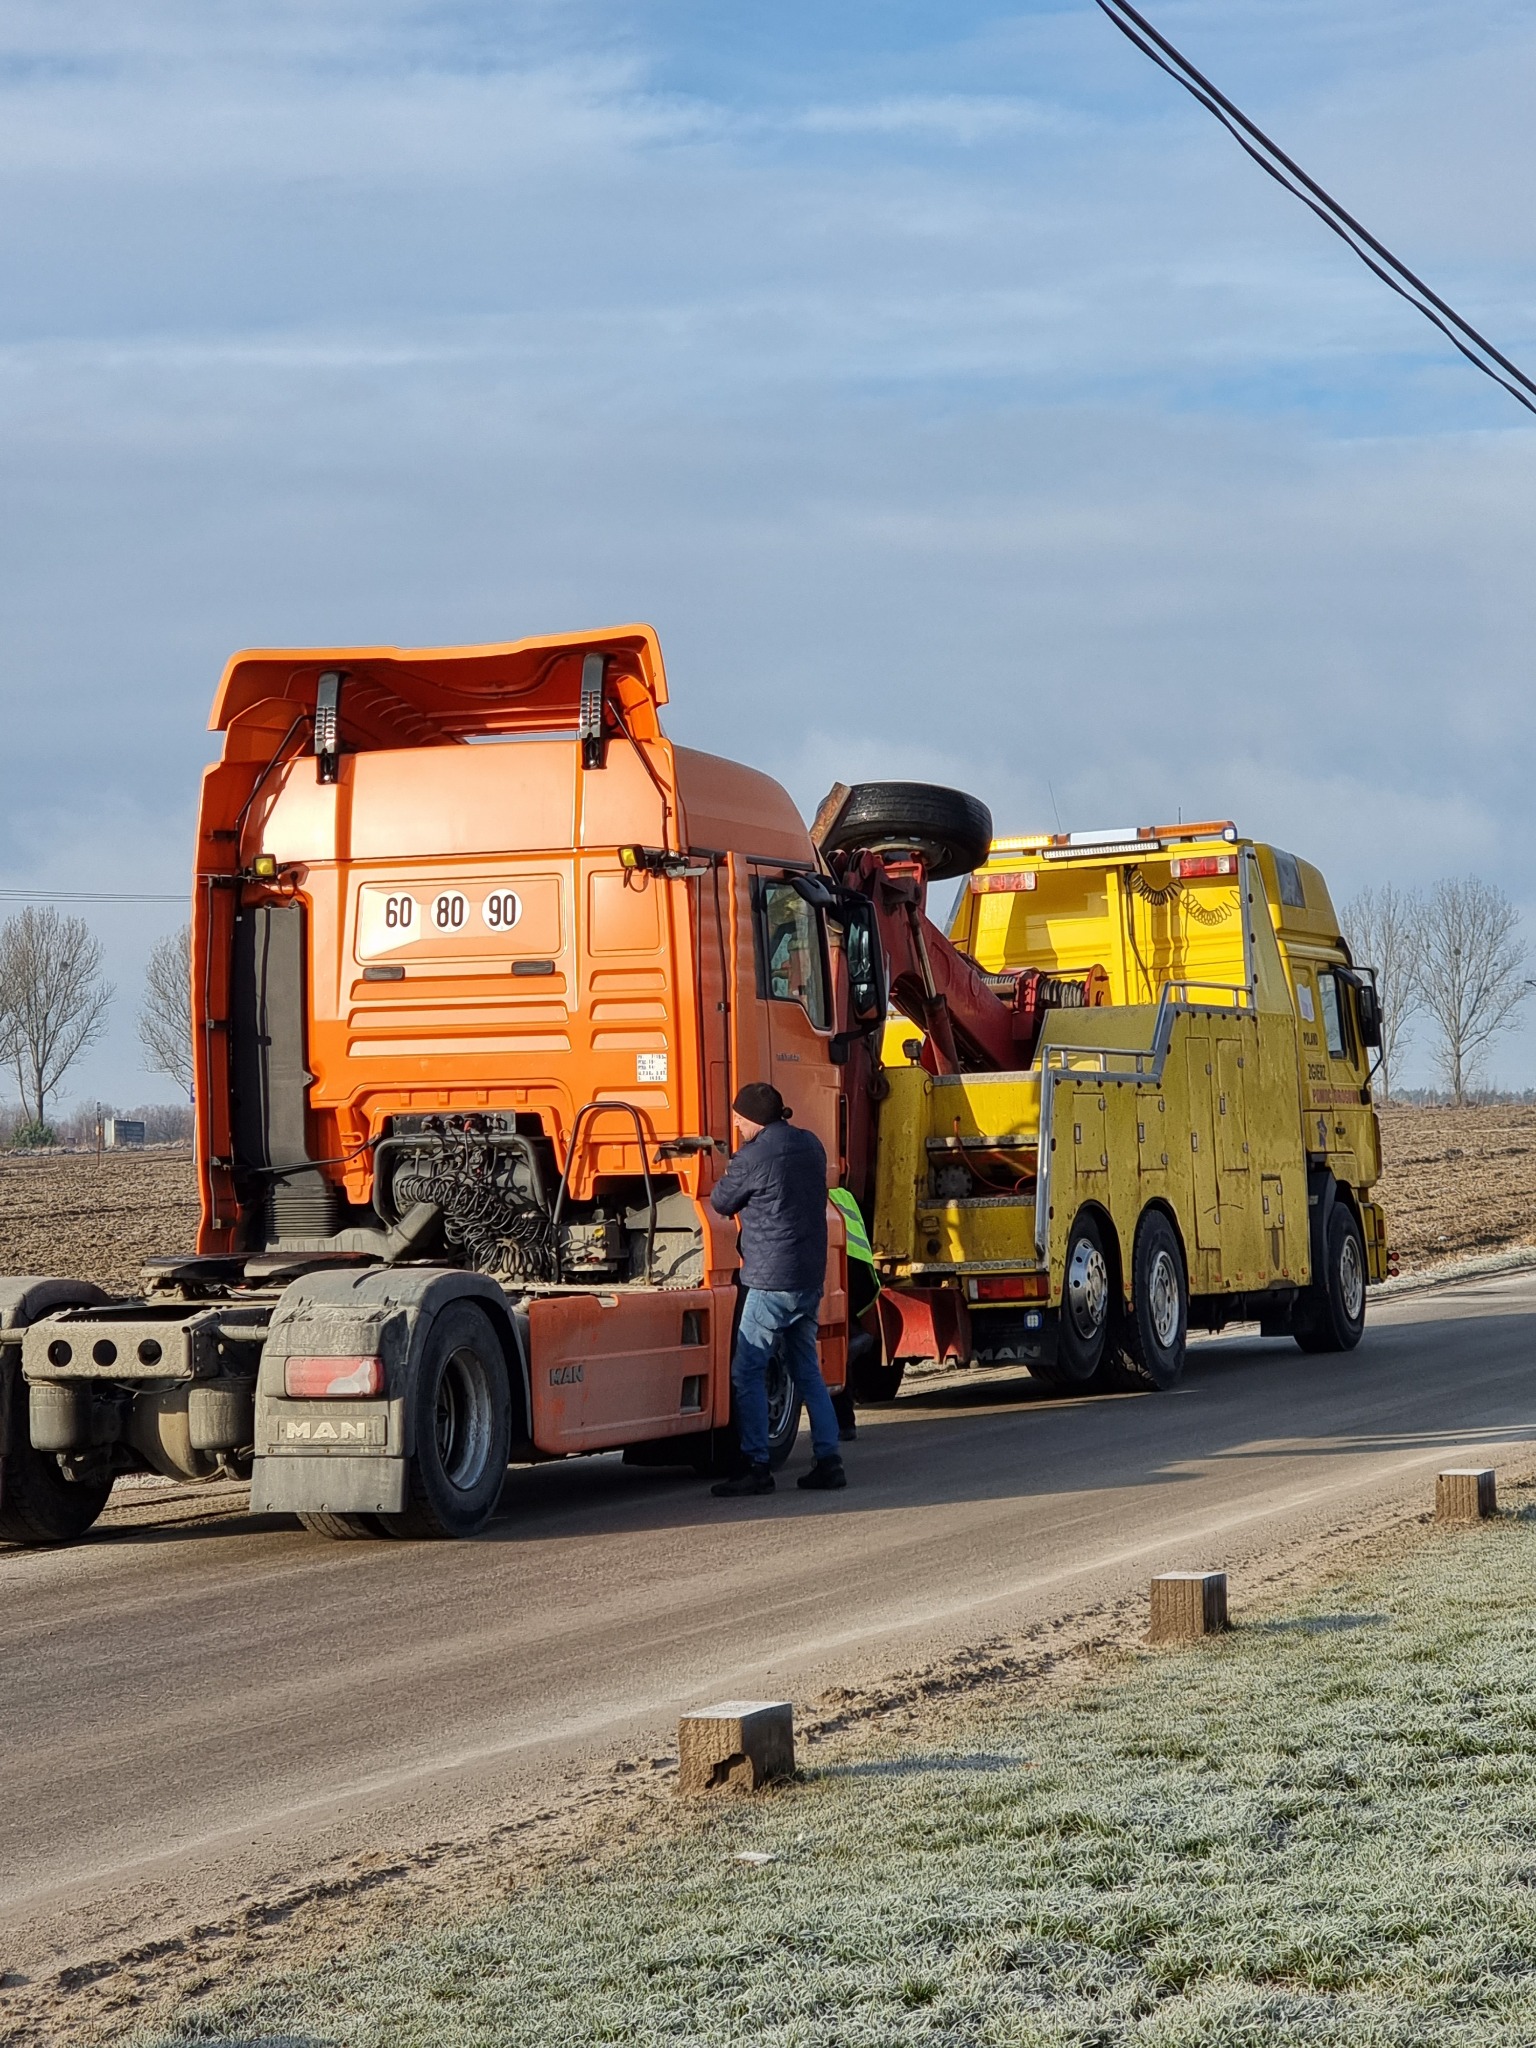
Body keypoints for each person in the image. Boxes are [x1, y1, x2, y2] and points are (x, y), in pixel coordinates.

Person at [708, 1081, 847, 1497]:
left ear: (751, 1118)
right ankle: (829, 1460)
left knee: (747, 1369)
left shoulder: (751, 1156)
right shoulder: (811, 1144)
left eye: (737, 1118)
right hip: (808, 1276)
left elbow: (720, 1202)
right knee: (806, 1369)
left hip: (770, 1280)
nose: (734, 1124)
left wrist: (727, 1165)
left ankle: (756, 1466)